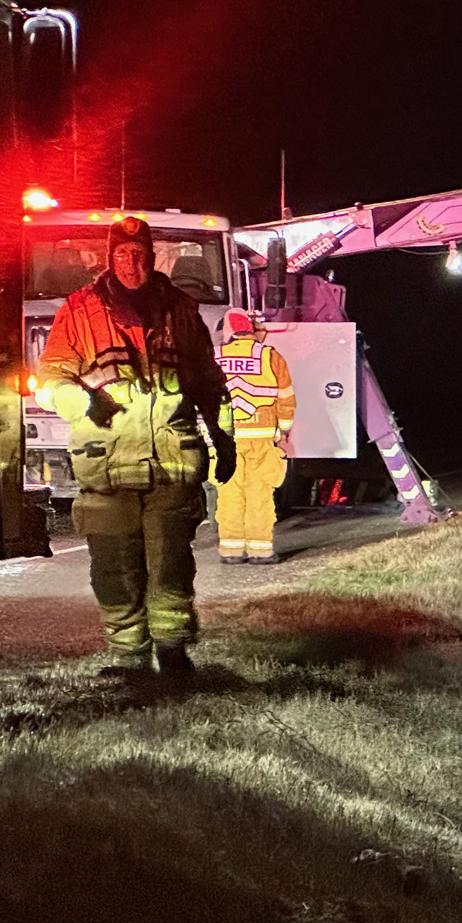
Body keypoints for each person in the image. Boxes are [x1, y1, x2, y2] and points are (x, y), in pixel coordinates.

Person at [34, 217, 236, 678]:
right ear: (111, 258)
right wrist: (82, 404)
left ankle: (172, 652)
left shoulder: (181, 310)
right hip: (105, 464)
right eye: (122, 255)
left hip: (171, 463)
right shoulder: (79, 310)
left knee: (171, 567)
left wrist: (225, 440)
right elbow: (50, 380)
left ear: (152, 256)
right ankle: (128, 658)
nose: (131, 263)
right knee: (115, 571)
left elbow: (209, 382)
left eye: (139, 254)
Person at [213, 308, 295, 564]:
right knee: (259, 493)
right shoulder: (270, 356)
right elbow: (286, 399)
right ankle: (260, 551)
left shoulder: (214, 357)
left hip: (225, 439)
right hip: (260, 439)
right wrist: (284, 432)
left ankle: (232, 550)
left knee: (229, 494)